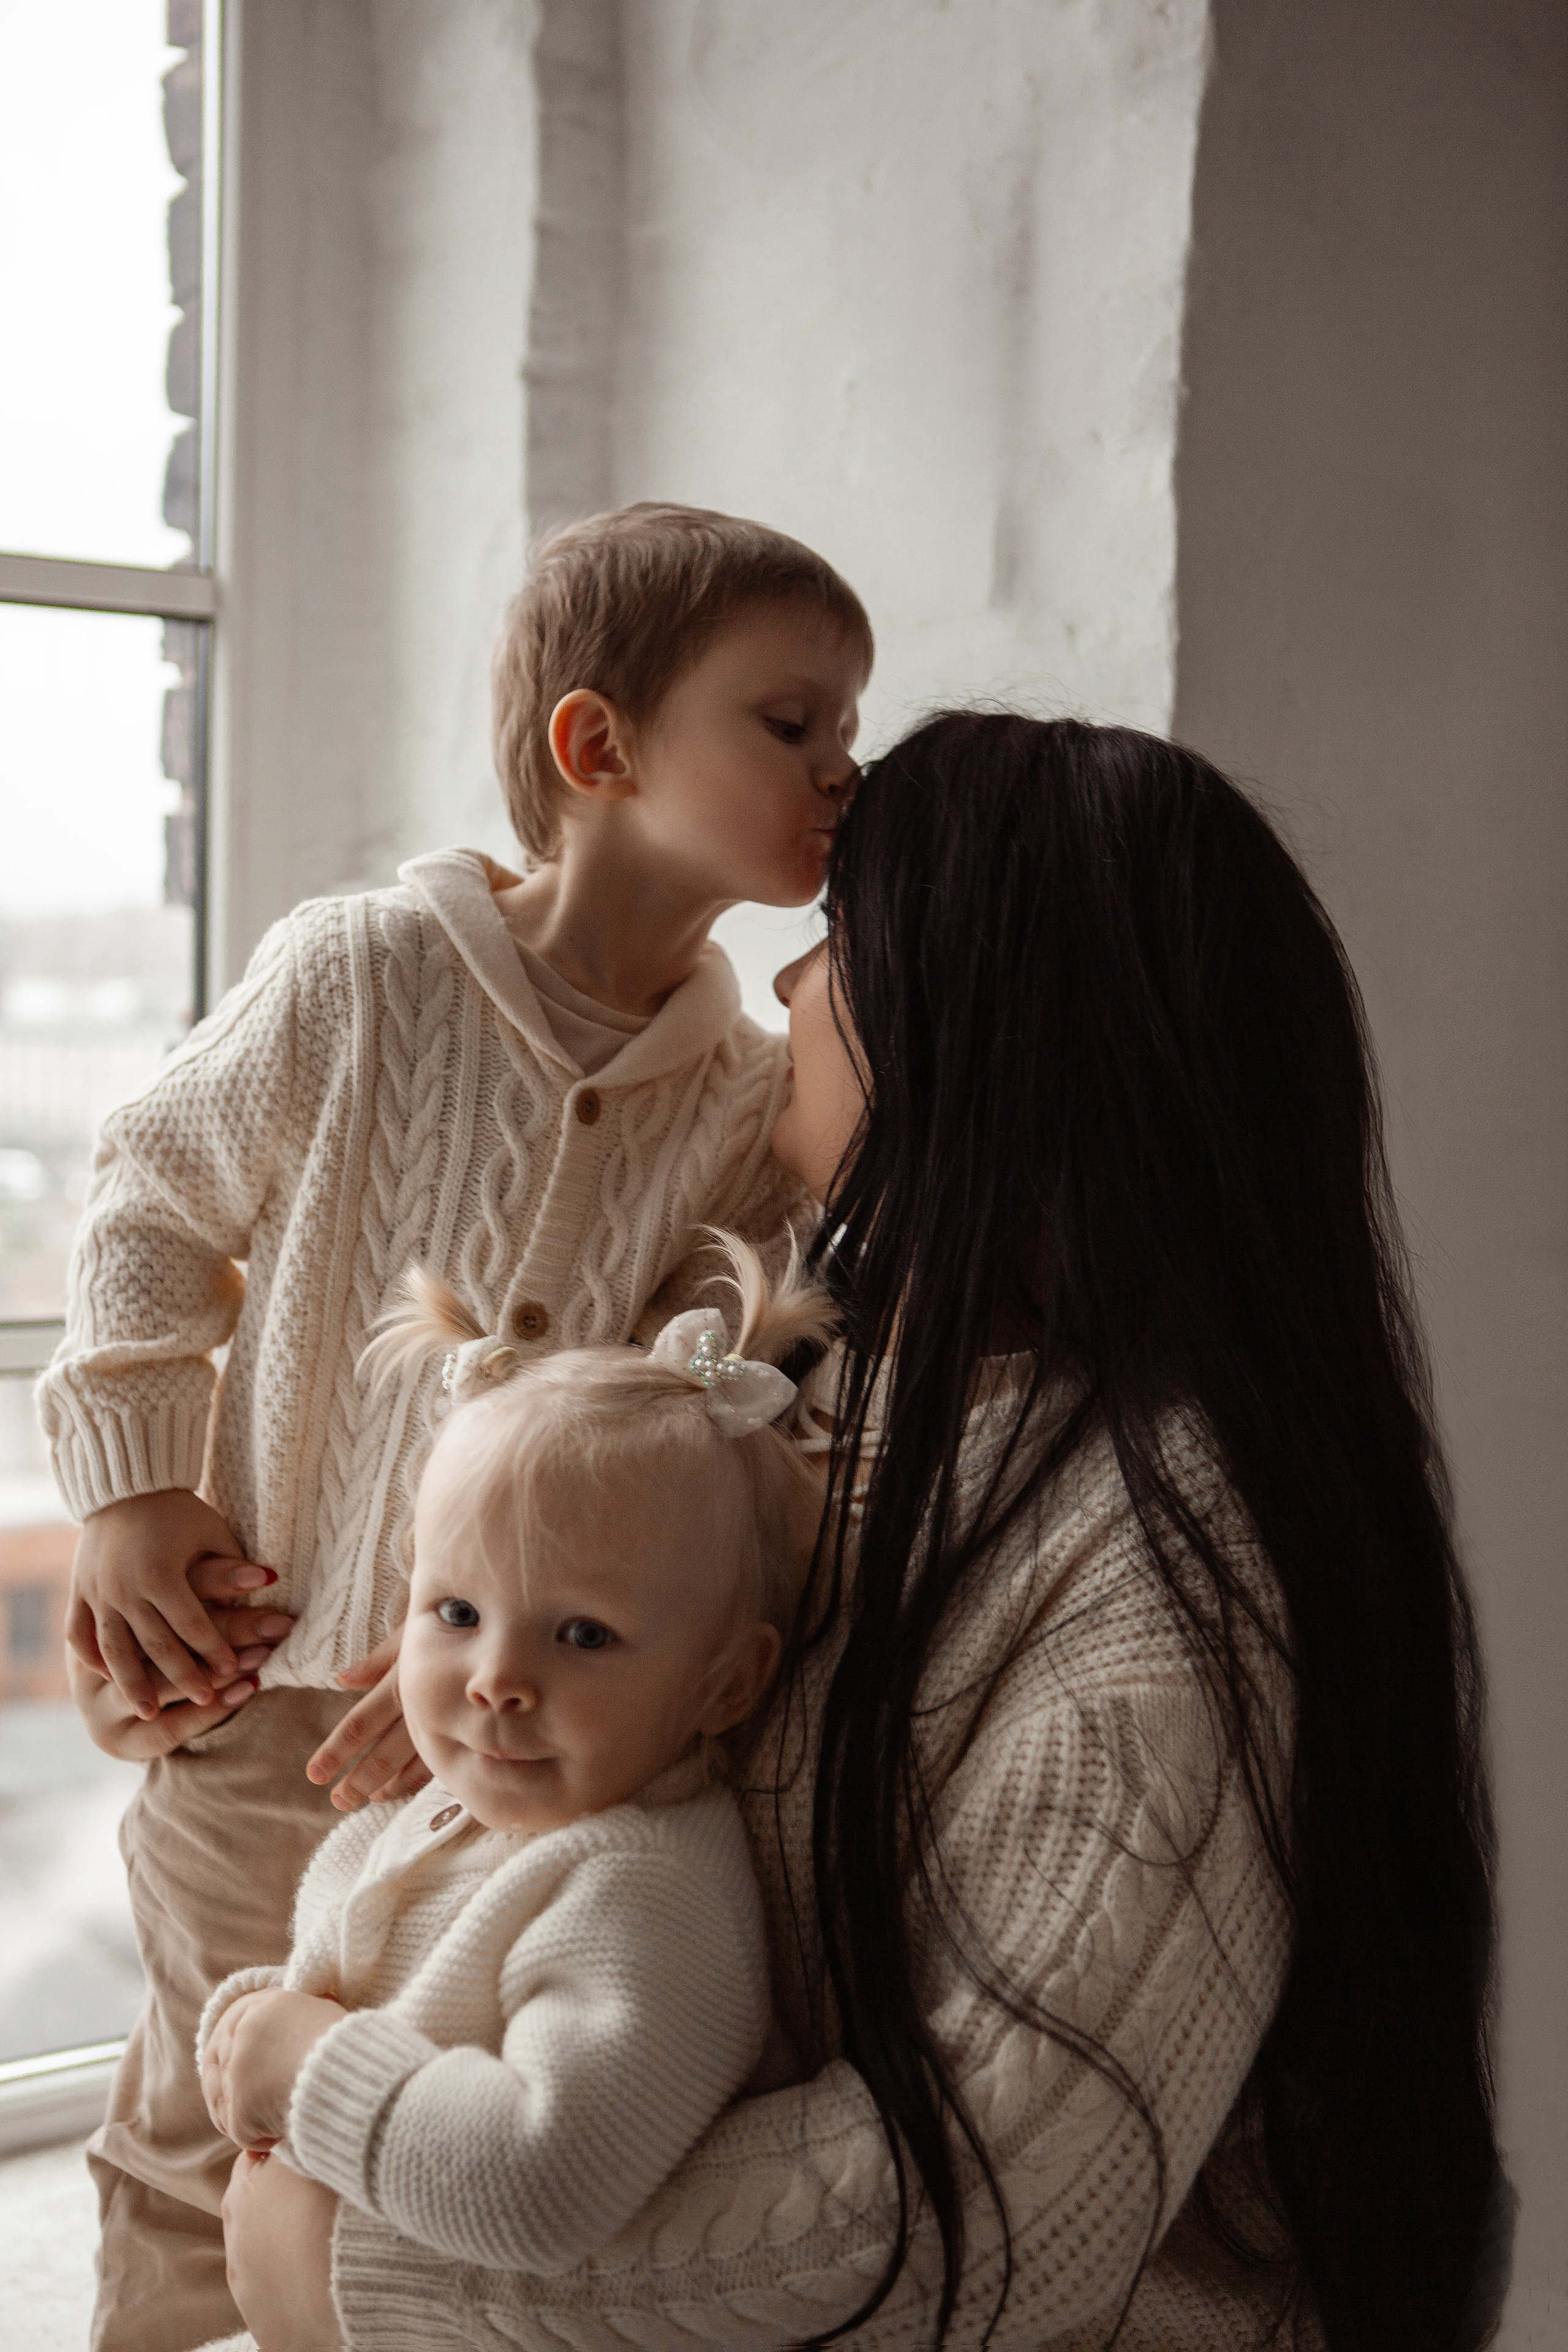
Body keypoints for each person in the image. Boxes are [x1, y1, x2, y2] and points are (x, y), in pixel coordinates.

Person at [235, 713, 1504, 2350]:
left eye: (833, 942)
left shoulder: (1163, 1573)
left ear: (981, 1031)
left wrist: (352, 2268)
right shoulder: (832, 1403)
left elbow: (975, 2215)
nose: (779, 992)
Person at [44, 501, 871, 2352]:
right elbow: (155, 1200)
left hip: (524, 1744)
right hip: (266, 1689)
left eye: (846, 734)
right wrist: (131, 1489)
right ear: (603, 748)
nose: (844, 772)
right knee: (199, 2103)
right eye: (793, 724)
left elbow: (704, 1401)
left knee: (387, 2128)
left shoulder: (742, 1103)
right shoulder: (361, 977)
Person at [190, 1233, 834, 2352]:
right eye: (455, 1614)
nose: (496, 1680)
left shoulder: (645, 1892)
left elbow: (542, 2178)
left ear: (728, 1686)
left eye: (583, 1634)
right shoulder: (438, 1823)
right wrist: (254, 2018)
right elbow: (356, 1997)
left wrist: (304, 2068)